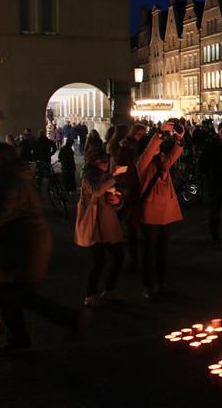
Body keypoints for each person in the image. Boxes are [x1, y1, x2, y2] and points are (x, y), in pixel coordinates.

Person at [0, 143, 85, 352]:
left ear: (1, 160)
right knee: (11, 295)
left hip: (24, 245)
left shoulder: (11, 182)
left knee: (16, 295)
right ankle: (25, 336)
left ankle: (68, 320)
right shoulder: (10, 179)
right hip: (18, 243)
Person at [136, 120, 184, 299]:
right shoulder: (142, 164)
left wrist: (180, 138)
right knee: (149, 250)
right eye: (157, 148)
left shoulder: (163, 161)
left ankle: (161, 283)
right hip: (150, 212)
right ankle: (147, 286)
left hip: (165, 211)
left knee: (162, 250)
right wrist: (159, 134)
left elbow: (174, 155)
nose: (160, 151)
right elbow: (149, 152)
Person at [75, 151, 126, 306]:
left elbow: (115, 195)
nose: (105, 164)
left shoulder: (105, 176)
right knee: (99, 260)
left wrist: (117, 200)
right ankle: (90, 295)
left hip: (107, 223)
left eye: (106, 161)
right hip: (93, 224)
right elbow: (97, 190)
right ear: (95, 162)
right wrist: (113, 175)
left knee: (118, 256)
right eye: (102, 161)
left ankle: (110, 289)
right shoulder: (88, 177)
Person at [115, 124, 147, 271]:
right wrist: (131, 169)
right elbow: (119, 167)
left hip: (135, 187)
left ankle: (132, 254)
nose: (141, 136)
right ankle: (131, 256)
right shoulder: (126, 148)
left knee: (132, 223)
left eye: (143, 134)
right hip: (129, 188)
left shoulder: (137, 146)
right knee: (131, 223)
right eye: (139, 134)